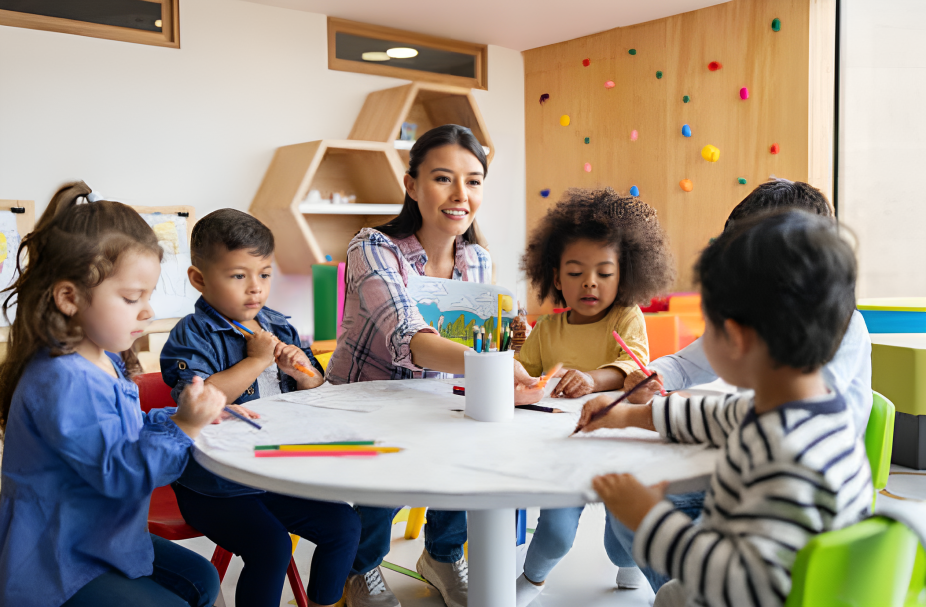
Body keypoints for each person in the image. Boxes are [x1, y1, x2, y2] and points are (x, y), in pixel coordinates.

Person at [582, 210, 873, 607]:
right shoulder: (815, 411)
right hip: (799, 580)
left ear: (733, 337)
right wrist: (625, 417)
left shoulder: (783, 455)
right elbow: (723, 416)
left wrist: (653, 522)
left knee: (670, 596)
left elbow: (741, 584)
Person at [328, 124, 541, 607]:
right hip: (364, 403)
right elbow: (411, 339)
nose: (460, 195)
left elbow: (479, 345)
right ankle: (360, 568)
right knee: (381, 472)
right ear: (411, 186)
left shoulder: (479, 260)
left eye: (474, 181)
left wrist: (511, 351)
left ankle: (442, 555)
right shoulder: (372, 248)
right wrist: (490, 362)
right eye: (443, 178)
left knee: (468, 443)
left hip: (434, 398)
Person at [0, 182, 226, 607]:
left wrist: (180, 415)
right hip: (57, 555)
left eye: (149, 296)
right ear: (69, 297)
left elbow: (127, 433)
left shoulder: (103, 360)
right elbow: (119, 474)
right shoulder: (63, 378)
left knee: (201, 579)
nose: (148, 311)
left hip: (98, 533)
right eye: (130, 298)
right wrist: (183, 427)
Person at [160, 209, 361, 607]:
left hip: (277, 475)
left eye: (264, 274)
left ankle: (323, 602)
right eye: (239, 276)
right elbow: (198, 400)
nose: (255, 288)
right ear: (200, 280)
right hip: (214, 487)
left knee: (345, 524)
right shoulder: (190, 335)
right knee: (272, 548)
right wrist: (254, 362)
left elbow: (318, 387)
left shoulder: (278, 326)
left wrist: (302, 374)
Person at [514, 188, 676, 606]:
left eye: (605, 273)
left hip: (617, 444)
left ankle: (628, 564)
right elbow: (525, 376)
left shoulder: (627, 317)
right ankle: (531, 581)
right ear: (555, 277)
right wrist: (513, 357)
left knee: (621, 544)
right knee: (553, 534)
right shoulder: (547, 330)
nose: (590, 282)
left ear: (625, 276)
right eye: (575, 271)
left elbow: (630, 366)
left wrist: (591, 378)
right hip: (563, 446)